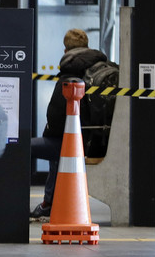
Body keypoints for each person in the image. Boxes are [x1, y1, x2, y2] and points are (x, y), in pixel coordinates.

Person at [30, 28, 108, 221]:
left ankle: (45, 203)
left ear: (65, 51)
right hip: (97, 140)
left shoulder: (69, 74)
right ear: (87, 46)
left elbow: (55, 118)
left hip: (76, 145)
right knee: (59, 142)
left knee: (24, 146)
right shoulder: (98, 69)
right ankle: (48, 202)